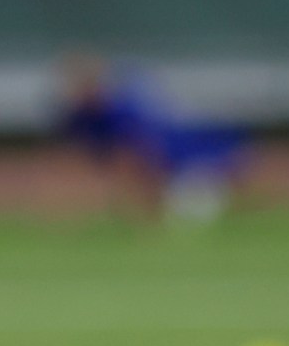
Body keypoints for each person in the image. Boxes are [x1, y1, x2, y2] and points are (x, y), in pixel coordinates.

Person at [54, 55, 249, 223]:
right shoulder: (78, 117)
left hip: (192, 163)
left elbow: (144, 157)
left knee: (193, 207)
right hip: (171, 165)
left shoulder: (122, 110)